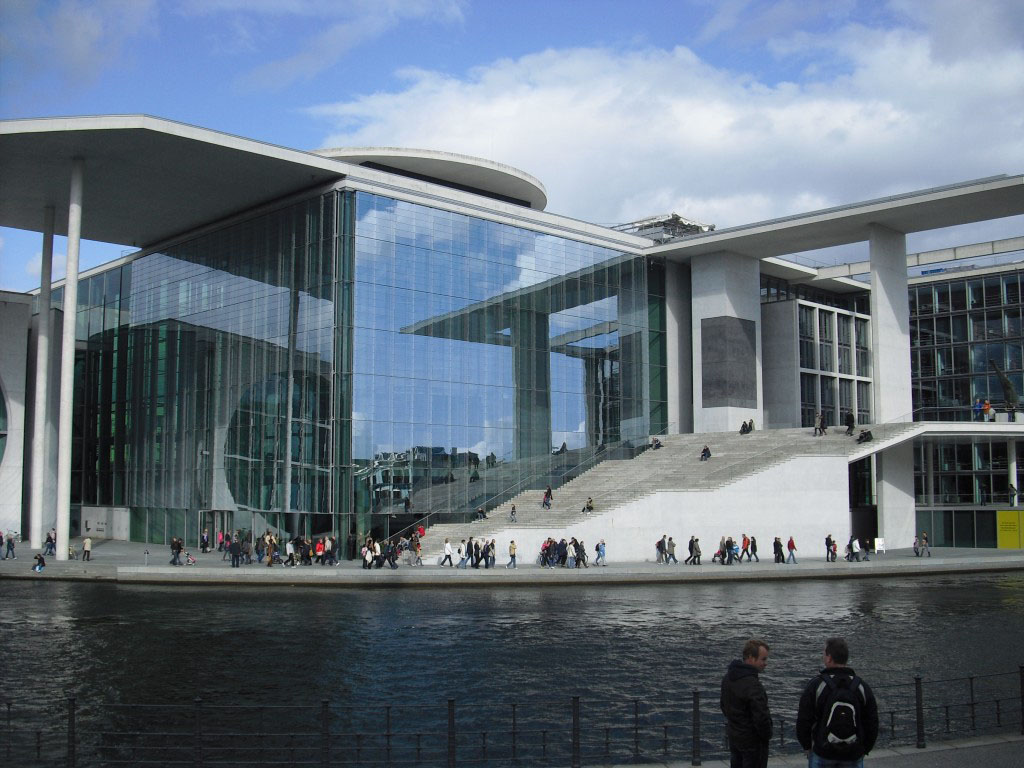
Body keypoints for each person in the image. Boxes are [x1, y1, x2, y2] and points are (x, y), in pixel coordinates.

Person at [796, 637, 878, 768]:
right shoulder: (861, 687)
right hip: (853, 752)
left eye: (824, 653)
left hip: (823, 751)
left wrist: (807, 746)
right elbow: (872, 722)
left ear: (829, 658)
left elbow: (804, 720)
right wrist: (864, 748)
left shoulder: (817, 685)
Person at [720, 639, 772, 768]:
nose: (765, 663)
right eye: (763, 659)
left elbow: (724, 706)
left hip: (734, 737)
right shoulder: (753, 685)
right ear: (751, 658)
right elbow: (761, 717)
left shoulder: (728, 678)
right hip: (753, 743)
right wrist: (767, 735)